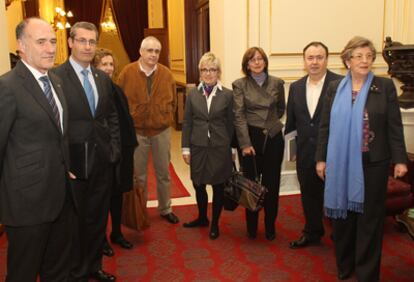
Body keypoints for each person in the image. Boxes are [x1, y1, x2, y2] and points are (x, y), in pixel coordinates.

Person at [315, 36, 408, 281]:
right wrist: (321, 159)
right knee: (342, 219)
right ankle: (345, 267)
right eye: (359, 56)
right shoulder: (335, 88)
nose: (364, 61)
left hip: (374, 163)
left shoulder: (384, 86)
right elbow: (324, 127)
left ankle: (367, 273)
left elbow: (394, 127)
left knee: (370, 221)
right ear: (347, 61)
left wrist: (400, 159)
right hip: (340, 163)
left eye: (369, 56)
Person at [0, 17, 76, 281]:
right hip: (26, 205)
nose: (50, 48)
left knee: (57, 271)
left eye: (53, 41)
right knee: (23, 273)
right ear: (21, 46)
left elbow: (57, 135)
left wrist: (65, 166)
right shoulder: (7, 87)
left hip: (61, 199)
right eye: (41, 42)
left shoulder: (55, 81)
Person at [53, 22, 120, 282]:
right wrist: (63, 161)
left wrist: (113, 149)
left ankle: (94, 266)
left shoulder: (102, 78)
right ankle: (76, 272)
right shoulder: (56, 76)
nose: (87, 46)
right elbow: (54, 123)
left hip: (102, 161)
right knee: (75, 222)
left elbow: (111, 116)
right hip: (73, 164)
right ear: (70, 42)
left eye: (92, 41)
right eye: (81, 40)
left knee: (97, 219)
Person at [285, 42, 342, 249]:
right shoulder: (296, 87)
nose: (315, 62)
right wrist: (292, 151)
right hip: (305, 153)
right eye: (310, 58)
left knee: (335, 195)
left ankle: (340, 234)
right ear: (304, 61)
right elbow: (292, 123)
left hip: (333, 153)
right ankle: (312, 232)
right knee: (309, 195)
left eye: (319, 57)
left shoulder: (341, 83)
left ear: (327, 59)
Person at [118, 36, 179, 224]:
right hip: (136, 132)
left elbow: (174, 103)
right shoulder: (126, 73)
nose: (153, 55)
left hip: (161, 131)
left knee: (164, 173)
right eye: (149, 50)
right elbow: (119, 103)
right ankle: (140, 208)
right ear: (141, 52)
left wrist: (165, 117)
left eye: (157, 51)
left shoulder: (167, 74)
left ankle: (165, 208)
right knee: (139, 175)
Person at [233, 47, 285, 241]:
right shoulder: (239, 85)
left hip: (272, 138)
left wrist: (268, 125)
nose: (256, 62)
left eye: (260, 59)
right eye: (252, 60)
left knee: (272, 185)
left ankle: (270, 226)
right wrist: (245, 143)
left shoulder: (277, 83)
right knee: (251, 185)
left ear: (265, 61)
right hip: (250, 139)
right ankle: (252, 228)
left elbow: (281, 110)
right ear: (246, 64)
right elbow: (238, 116)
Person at [181, 52, 234, 240]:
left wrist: (232, 148)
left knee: (218, 186)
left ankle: (215, 223)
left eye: (212, 69)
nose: (209, 73)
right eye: (205, 69)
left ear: (218, 72)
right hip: (198, 146)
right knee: (198, 184)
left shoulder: (227, 95)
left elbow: (231, 123)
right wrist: (185, 148)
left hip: (220, 147)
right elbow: (187, 122)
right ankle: (202, 217)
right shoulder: (193, 94)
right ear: (200, 72)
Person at [93, 48, 138, 256]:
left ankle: (117, 233)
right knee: (101, 199)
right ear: (95, 66)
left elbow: (124, 121)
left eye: (111, 64)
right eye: (104, 64)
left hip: (121, 153)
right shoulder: (91, 89)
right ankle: (100, 239)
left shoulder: (116, 89)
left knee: (117, 195)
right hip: (101, 155)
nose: (109, 68)